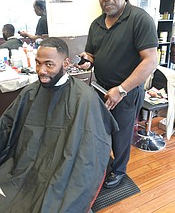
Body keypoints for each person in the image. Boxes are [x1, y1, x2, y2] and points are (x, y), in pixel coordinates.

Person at [0, 37, 118, 212]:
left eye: (49, 64)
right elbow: (6, 125)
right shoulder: (30, 92)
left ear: (66, 63)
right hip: (24, 164)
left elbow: (91, 149)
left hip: (63, 170)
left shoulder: (84, 97)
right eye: (38, 64)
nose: (41, 71)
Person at [78, 0, 158, 188]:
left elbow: (150, 61)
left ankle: (119, 171)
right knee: (101, 130)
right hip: (99, 89)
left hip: (126, 92)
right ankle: (104, 162)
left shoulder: (140, 19)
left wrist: (121, 90)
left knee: (121, 136)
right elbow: (92, 54)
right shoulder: (96, 24)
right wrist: (87, 61)